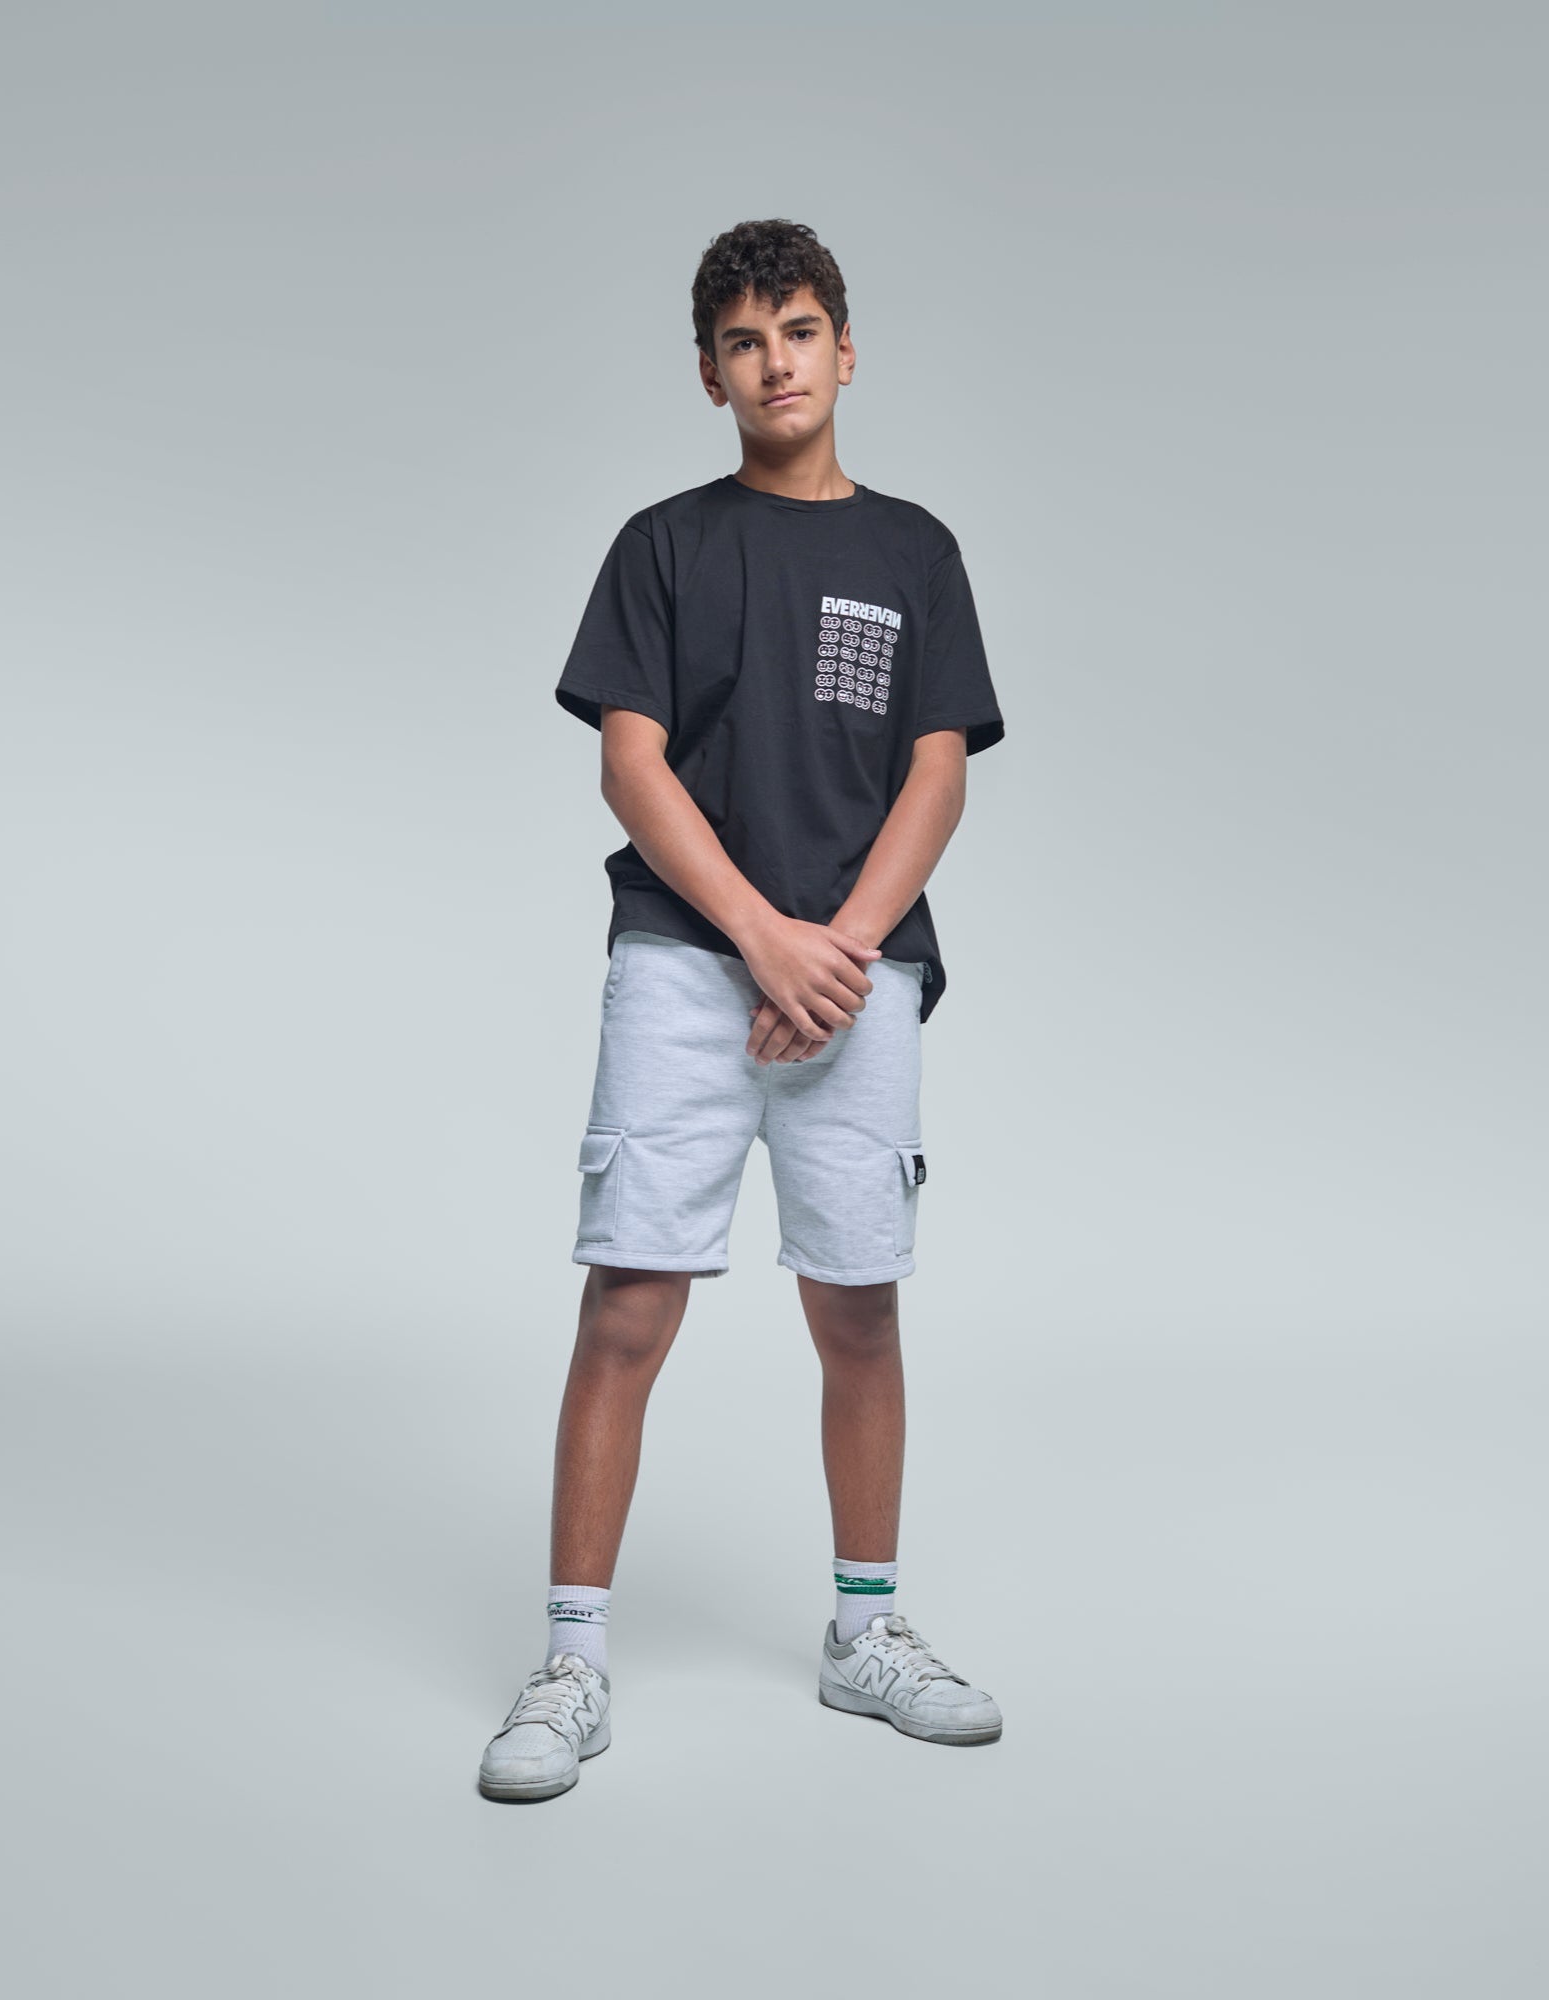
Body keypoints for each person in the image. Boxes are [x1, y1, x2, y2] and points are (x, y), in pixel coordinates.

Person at [478, 218, 1007, 1803]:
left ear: (847, 347)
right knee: (628, 1301)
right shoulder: (665, 545)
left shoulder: (916, 552)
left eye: (799, 330)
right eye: (743, 341)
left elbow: (937, 771)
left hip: (861, 974)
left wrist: (835, 947)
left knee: (859, 1305)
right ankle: (573, 1659)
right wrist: (762, 941)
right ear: (709, 375)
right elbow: (629, 762)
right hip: (687, 967)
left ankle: (866, 1632)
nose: (776, 362)